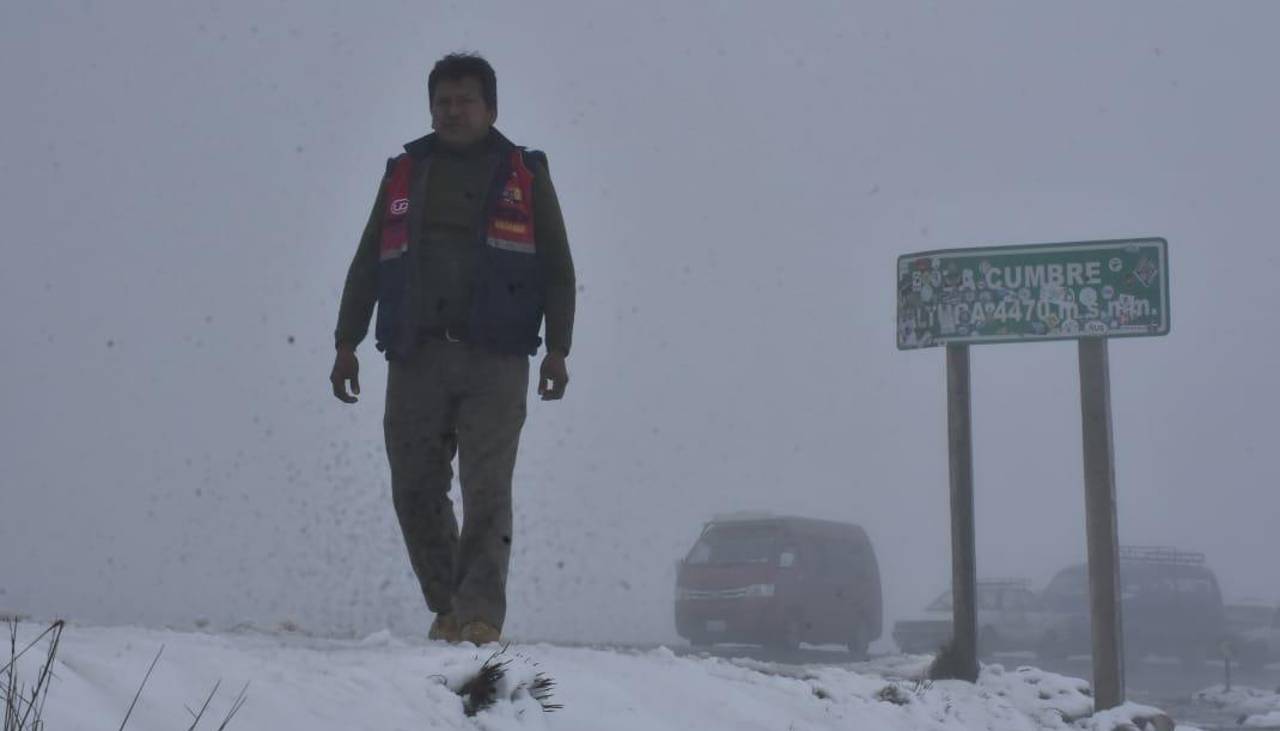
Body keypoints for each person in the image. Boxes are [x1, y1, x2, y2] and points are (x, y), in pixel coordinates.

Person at [330, 52, 576, 645]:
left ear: (491, 108)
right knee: (413, 486)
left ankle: (481, 617)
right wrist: (345, 342)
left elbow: (558, 271)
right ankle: (447, 603)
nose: (452, 110)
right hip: (416, 356)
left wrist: (558, 350)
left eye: (465, 99)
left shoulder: (526, 173)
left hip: (497, 359)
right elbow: (368, 262)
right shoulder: (403, 174)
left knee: (487, 489)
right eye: (442, 101)